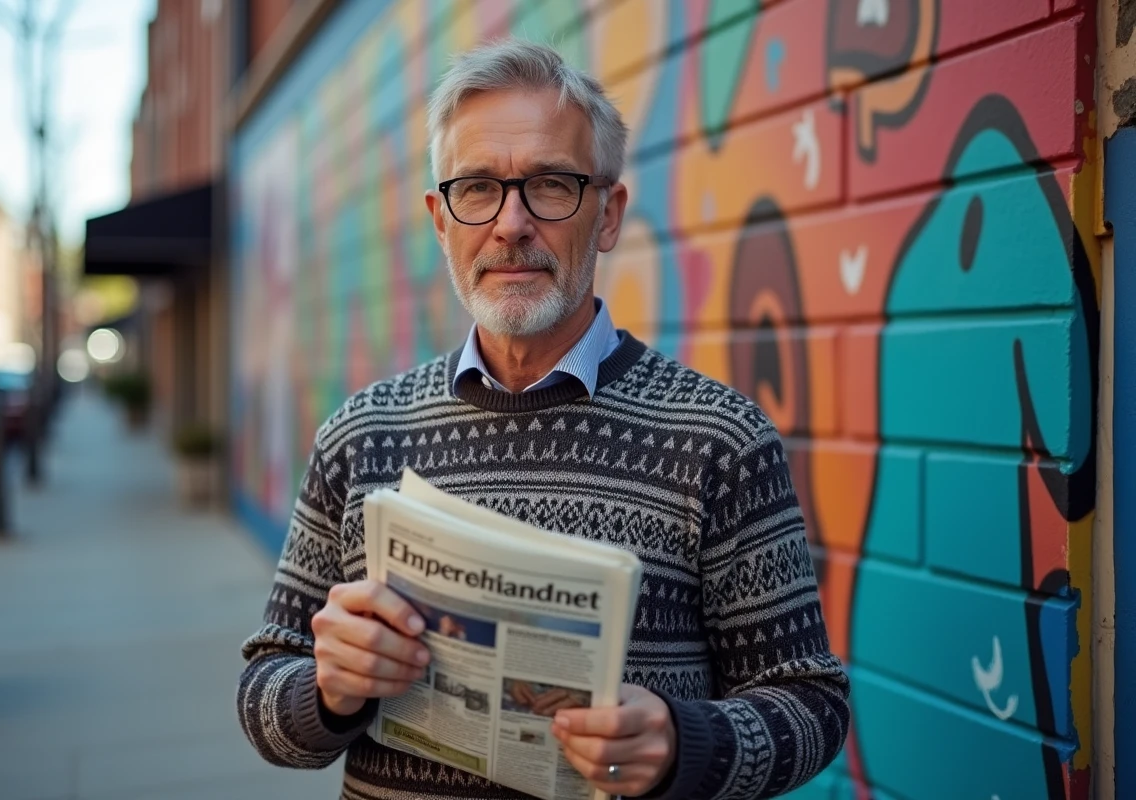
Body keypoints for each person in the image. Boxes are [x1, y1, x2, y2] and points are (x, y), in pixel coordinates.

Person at [238, 39, 850, 800]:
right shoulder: (360, 434)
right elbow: (265, 694)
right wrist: (325, 690)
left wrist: (681, 743)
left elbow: (812, 706)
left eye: (551, 186)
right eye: (478, 189)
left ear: (608, 213)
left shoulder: (719, 439)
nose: (512, 223)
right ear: (440, 219)